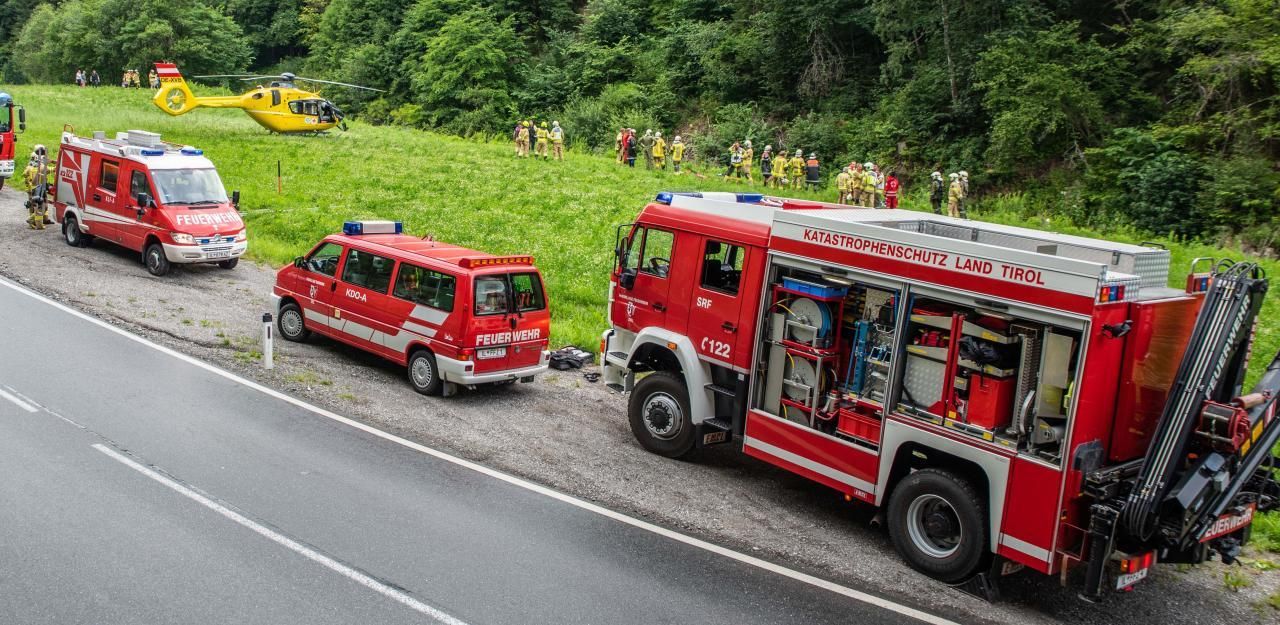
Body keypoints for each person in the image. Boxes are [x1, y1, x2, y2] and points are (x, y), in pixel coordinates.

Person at [23, 145, 51, 230]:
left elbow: (24, 175)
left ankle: (37, 220)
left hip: (31, 189)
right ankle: (35, 222)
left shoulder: (29, 167)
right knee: (41, 205)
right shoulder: (41, 167)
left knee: (33, 205)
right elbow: (49, 169)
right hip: (38, 188)